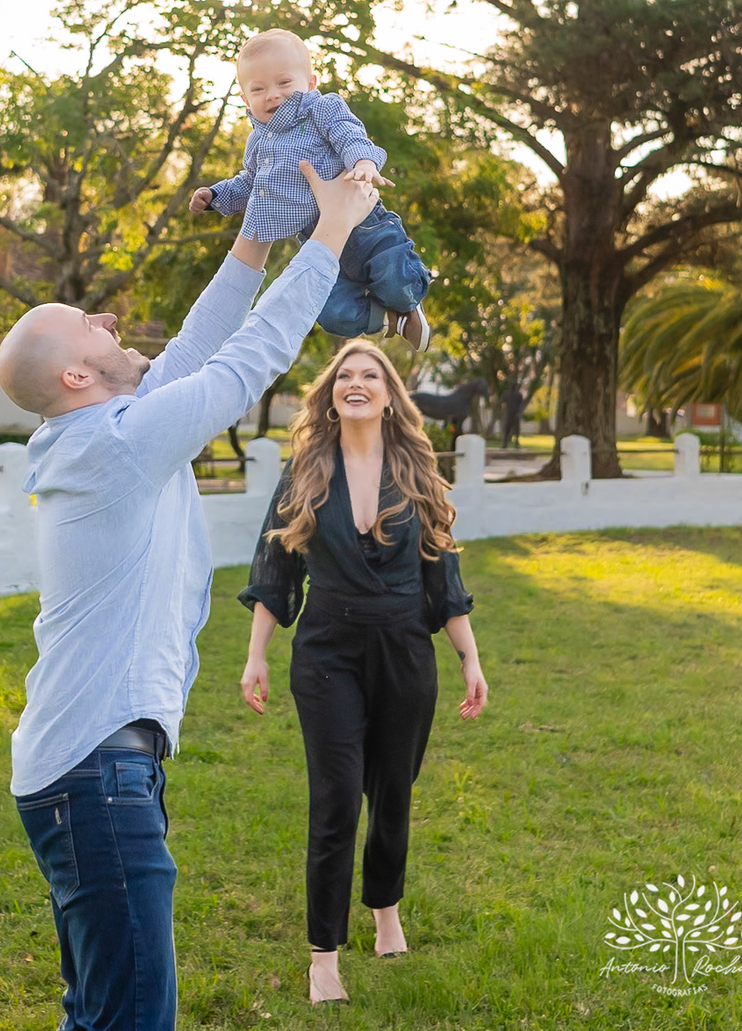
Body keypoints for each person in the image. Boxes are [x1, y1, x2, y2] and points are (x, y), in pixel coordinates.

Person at [0, 162, 379, 1031]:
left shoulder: (108, 429)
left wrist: (259, 228)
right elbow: (247, 361)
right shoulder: (115, 445)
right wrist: (331, 231)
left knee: (101, 1012)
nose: (106, 318)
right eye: (85, 325)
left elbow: (201, 344)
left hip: (90, 769)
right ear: (76, 377)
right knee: (129, 1018)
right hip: (94, 772)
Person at [239, 339, 488, 1005]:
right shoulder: (305, 472)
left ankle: (385, 912)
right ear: (330, 394)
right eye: (344, 375)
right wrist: (257, 653)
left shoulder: (416, 470)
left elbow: (443, 576)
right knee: (337, 798)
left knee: (393, 793)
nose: (356, 382)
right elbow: (275, 570)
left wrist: (469, 657)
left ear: (387, 395)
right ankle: (323, 958)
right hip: (328, 652)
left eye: (369, 374)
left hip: (405, 651)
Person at [190, 28, 432, 350]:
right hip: (318, 241)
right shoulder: (257, 142)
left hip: (363, 225)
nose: (272, 95)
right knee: (329, 312)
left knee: (395, 277)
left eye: (284, 83)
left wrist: (363, 162)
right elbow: (250, 183)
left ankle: (409, 298)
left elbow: (348, 133)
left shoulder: (321, 109)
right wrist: (216, 196)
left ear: (311, 83)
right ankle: (389, 320)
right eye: (259, 89)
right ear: (245, 99)